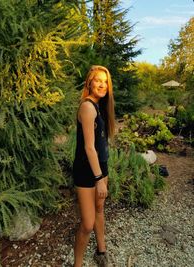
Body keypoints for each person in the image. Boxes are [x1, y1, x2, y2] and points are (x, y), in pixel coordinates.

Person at [72, 65, 115, 267]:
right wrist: (99, 180)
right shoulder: (87, 106)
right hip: (86, 171)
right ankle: (78, 264)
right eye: (98, 80)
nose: (102, 85)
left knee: (100, 209)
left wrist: (103, 173)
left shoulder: (100, 107)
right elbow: (89, 148)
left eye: (105, 81)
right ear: (89, 82)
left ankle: (101, 250)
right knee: (87, 224)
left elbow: (100, 144)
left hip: (101, 166)